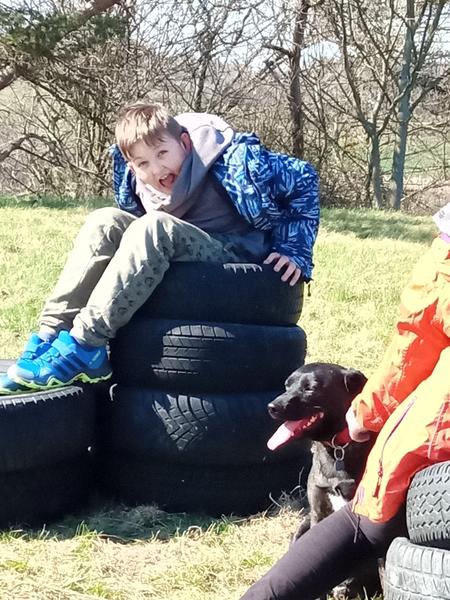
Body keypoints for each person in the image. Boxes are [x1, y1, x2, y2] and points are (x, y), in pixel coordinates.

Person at [0, 103, 319, 394]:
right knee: (105, 220)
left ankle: (85, 345)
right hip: (179, 244)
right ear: (131, 166)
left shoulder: (233, 162)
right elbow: (131, 231)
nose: (156, 170)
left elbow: (304, 178)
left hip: (234, 252)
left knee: (154, 226)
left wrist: (294, 247)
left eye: (162, 153)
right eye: (143, 163)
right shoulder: (134, 183)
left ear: (184, 143)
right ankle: (50, 337)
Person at [240, 202, 450, 600]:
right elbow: (416, 341)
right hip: (403, 474)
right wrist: (367, 412)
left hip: (413, 466)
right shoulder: (443, 256)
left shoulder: (443, 257)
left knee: (365, 528)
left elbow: (415, 341)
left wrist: (366, 412)